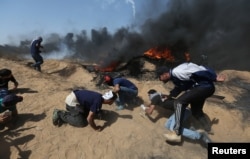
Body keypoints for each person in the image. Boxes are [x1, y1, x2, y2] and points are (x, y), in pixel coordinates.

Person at [156, 62, 225, 142]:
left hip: (203, 87)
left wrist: (214, 77)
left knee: (179, 103)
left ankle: (176, 133)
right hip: (202, 89)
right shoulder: (175, 77)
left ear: (165, 74)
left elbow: (200, 69)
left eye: (160, 77)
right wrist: (169, 96)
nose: (160, 79)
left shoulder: (178, 72)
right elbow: (179, 88)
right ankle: (208, 129)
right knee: (196, 112)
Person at [52, 89, 117, 132]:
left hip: (76, 99)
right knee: (82, 123)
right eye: (113, 101)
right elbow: (89, 119)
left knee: (93, 113)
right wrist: (96, 128)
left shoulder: (100, 97)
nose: (113, 103)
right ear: (109, 100)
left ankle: (77, 112)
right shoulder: (98, 102)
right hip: (71, 103)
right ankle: (60, 114)